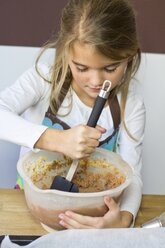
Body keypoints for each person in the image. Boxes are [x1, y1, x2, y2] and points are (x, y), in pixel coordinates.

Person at [0, 0, 145, 229]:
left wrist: (123, 220)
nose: (96, 82)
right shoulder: (44, 80)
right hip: (30, 211)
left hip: (93, 217)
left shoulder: (130, 105)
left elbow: (131, 175)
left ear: (130, 56)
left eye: (110, 68)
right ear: (67, 53)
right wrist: (57, 140)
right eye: (82, 68)